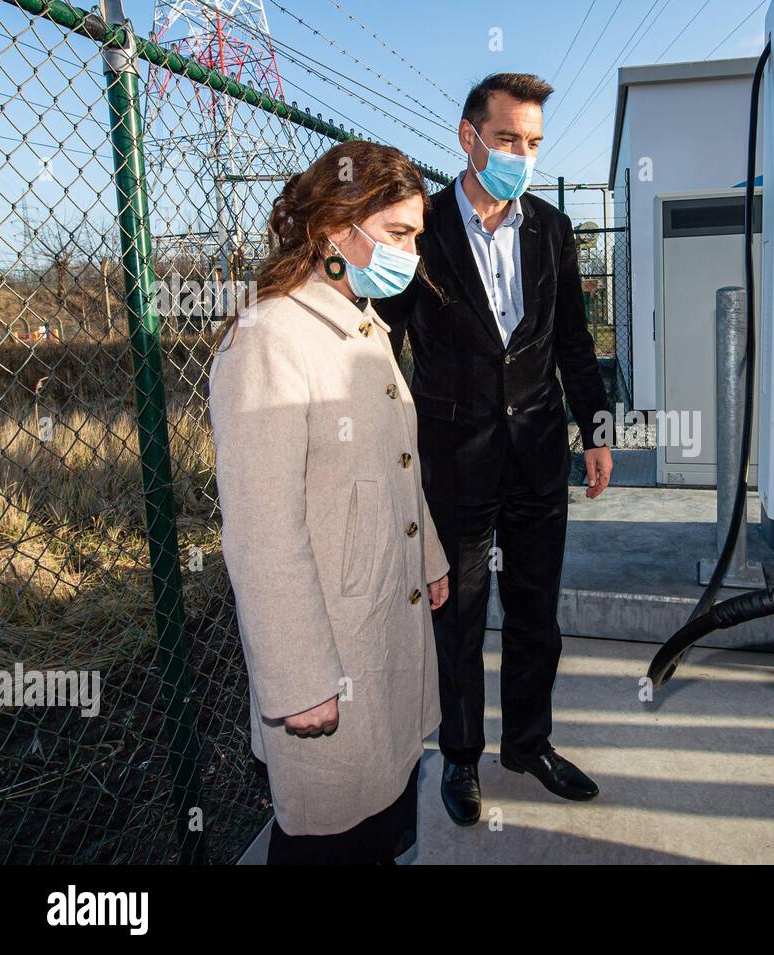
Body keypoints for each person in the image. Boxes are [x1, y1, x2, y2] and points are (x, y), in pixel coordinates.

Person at [374, 73, 612, 827]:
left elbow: (574, 341)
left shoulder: (551, 227)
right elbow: (382, 344)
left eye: (534, 143)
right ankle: (464, 756)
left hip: (539, 454)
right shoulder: (425, 228)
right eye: (508, 139)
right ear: (469, 137)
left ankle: (529, 743)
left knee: (538, 612)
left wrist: (596, 430)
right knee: (461, 614)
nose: (522, 155)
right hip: (455, 463)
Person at [208, 140, 450, 864]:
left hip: (378, 623)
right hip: (330, 654)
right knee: (330, 837)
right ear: (337, 224)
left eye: (417, 234)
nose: (413, 251)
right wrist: (299, 676)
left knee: (377, 822)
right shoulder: (270, 339)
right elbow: (260, 530)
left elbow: (396, 463)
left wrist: (430, 556)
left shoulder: (360, 321)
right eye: (399, 233)